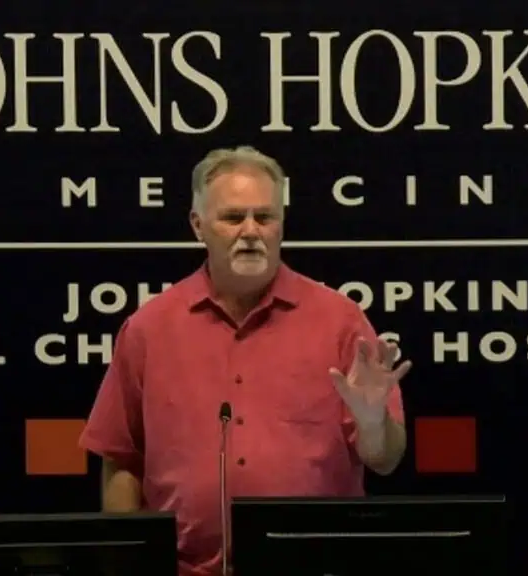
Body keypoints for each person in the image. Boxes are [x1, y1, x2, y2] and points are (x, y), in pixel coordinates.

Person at [79, 146, 411, 576]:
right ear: (198, 226)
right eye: (233, 218)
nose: (251, 231)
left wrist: (371, 422)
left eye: (265, 217)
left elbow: (385, 458)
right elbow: (120, 458)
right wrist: (124, 563)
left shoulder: (339, 321)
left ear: (282, 226)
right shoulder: (149, 328)